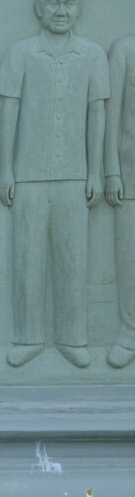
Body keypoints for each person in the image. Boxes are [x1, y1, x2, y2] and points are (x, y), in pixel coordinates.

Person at [0, 0, 108, 369]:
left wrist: (95, 172)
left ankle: (72, 338)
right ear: (39, 9)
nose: (62, 11)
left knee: (72, 260)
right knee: (27, 259)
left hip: (74, 176)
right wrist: (5, 169)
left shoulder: (93, 55)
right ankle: (28, 338)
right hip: (27, 176)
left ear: (79, 8)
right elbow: (8, 112)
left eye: (69, 3)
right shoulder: (21, 53)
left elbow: (97, 115)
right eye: (54, 3)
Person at [105, 35, 135, 368]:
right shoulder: (125, 51)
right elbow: (111, 115)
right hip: (131, 177)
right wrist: (111, 171)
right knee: (130, 261)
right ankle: (130, 334)